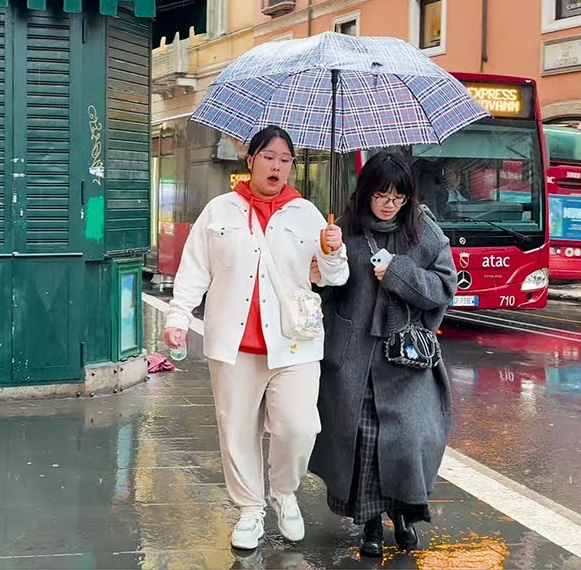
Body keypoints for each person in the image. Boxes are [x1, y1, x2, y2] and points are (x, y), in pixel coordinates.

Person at [161, 125, 350, 551]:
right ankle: (250, 509)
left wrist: (333, 250)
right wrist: (178, 316)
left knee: (299, 426)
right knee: (237, 431)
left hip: (294, 343)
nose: (277, 165)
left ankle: (284, 493)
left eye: (285, 159)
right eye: (269, 156)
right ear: (251, 161)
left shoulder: (308, 215)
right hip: (234, 346)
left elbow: (334, 278)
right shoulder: (220, 211)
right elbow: (194, 270)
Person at [309, 151, 456, 558]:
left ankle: (405, 515)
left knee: (407, 439)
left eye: (398, 197)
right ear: (366, 192)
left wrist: (399, 273)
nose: (390, 204)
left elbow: (445, 287)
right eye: (381, 195)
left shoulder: (424, 230)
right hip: (352, 358)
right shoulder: (343, 228)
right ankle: (370, 523)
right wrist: (323, 267)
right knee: (362, 442)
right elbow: (325, 291)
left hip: (405, 358)